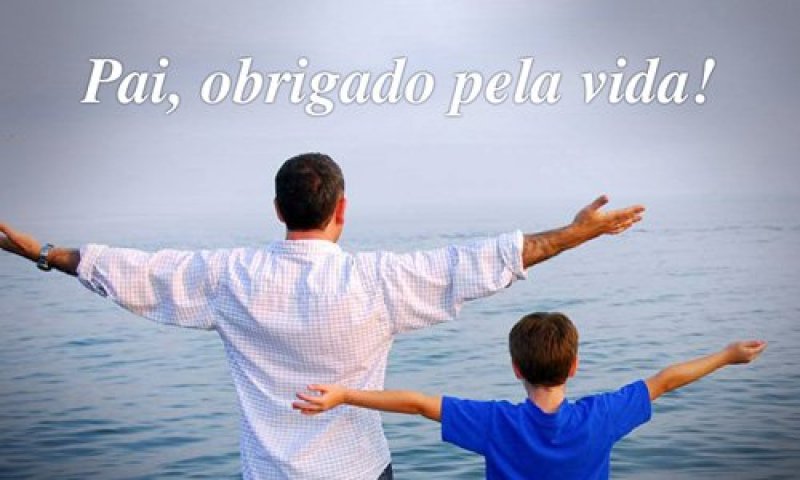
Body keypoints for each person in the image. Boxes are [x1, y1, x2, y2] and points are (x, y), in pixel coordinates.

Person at [0, 153, 644, 479]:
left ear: (278, 210)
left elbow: (132, 271)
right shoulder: (379, 282)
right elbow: (486, 261)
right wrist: (576, 233)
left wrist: (42, 253)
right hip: (359, 470)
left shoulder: (228, 278)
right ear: (341, 210)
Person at [293, 312, 767, 480]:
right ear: (574, 366)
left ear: (516, 368)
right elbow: (665, 380)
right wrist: (727, 356)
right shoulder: (601, 417)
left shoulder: (495, 424)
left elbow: (417, 403)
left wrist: (345, 395)